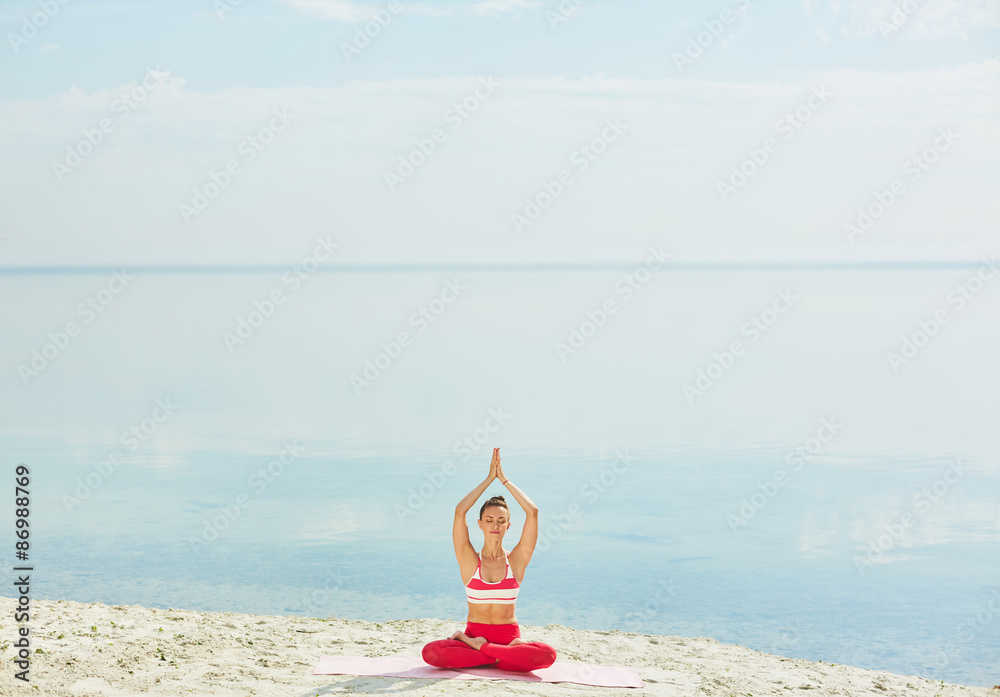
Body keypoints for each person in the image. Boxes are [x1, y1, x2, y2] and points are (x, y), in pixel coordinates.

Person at [421, 447, 557, 672]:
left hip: (504, 640)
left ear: (508, 526)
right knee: (431, 652)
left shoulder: (515, 561)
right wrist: (488, 479)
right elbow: (459, 511)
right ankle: (497, 656)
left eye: (501, 520)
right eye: (490, 519)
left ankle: (483, 651)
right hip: (479, 637)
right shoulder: (469, 561)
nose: (495, 525)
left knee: (548, 654)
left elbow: (532, 511)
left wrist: (503, 479)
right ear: (480, 523)